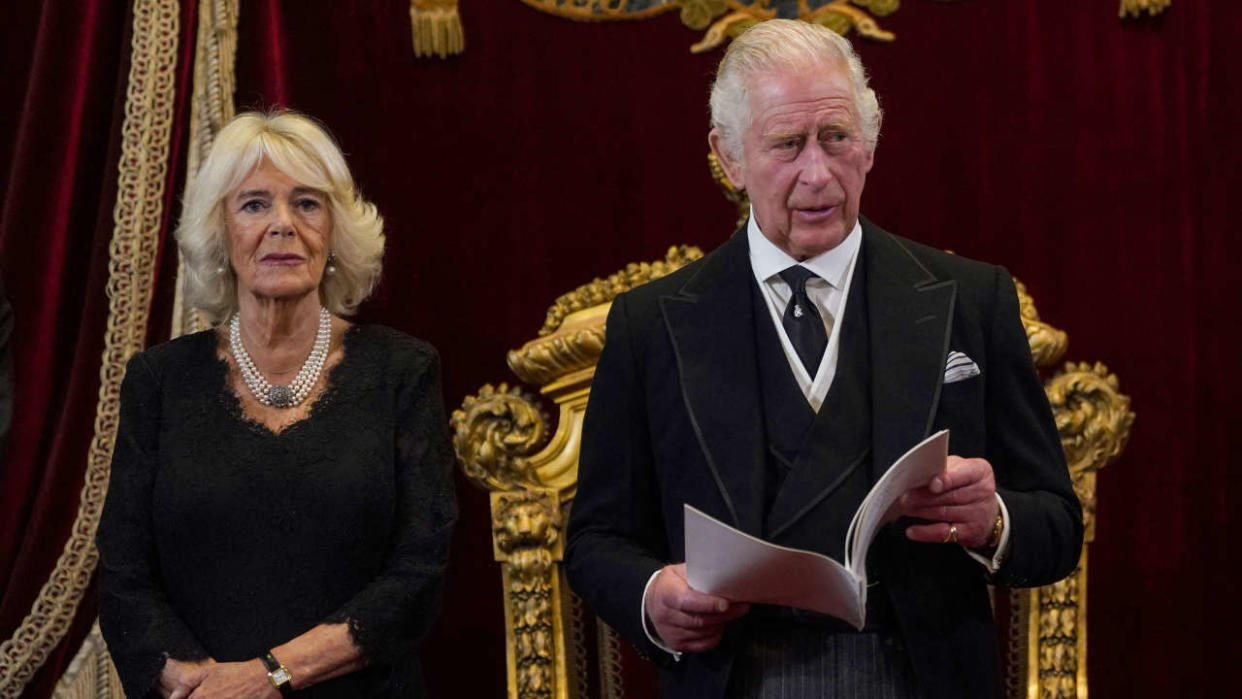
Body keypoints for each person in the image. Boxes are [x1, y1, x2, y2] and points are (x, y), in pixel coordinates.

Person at [565, 20, 1082, 699]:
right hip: (737, 674)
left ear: (870, 143)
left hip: (920, 674)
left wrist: (995, 520)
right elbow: (597, 538)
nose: (819, 172)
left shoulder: (971, 299)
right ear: (728, 157)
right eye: (788, 144)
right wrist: (651, 595)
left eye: (837, 138)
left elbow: (1058, 524)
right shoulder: (651, 324)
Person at [98, 111, 456, 698]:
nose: (282, 225)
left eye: (307, 203)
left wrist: (269, 677)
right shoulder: (158, 381)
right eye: (255, 204)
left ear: (336, 231)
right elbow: (123, 576)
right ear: (221, 232)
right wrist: (200, 687)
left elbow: (417, 576)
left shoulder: (403, 372)